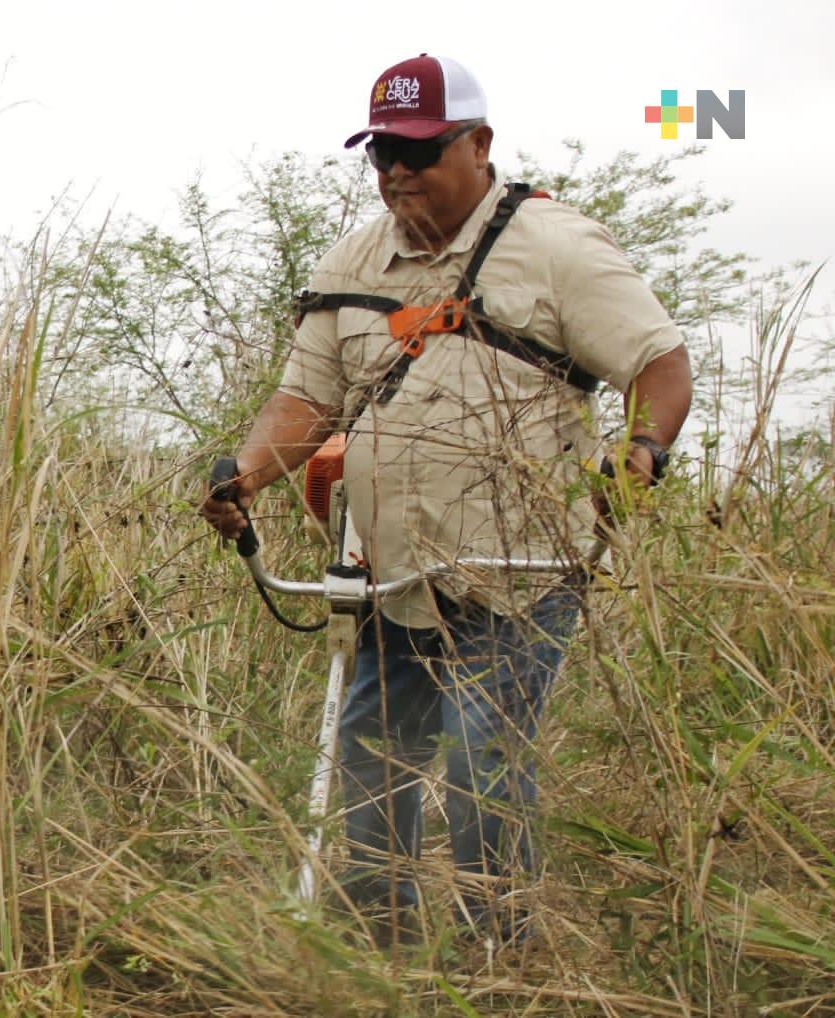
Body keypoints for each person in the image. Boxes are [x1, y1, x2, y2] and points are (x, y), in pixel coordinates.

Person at [200, 54, 692, 946]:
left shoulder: (557, 248)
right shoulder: (353, 257)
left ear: (478, 145)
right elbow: (306, 404)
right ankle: (370, 948)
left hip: (520, 569)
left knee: (480, 762)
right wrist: (242, 476)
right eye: (382, 152)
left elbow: (659, 364)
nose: (396, 173)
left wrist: (643, 451)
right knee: (370, 757)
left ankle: (493, 955)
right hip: (388, 572)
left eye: (418, 153)